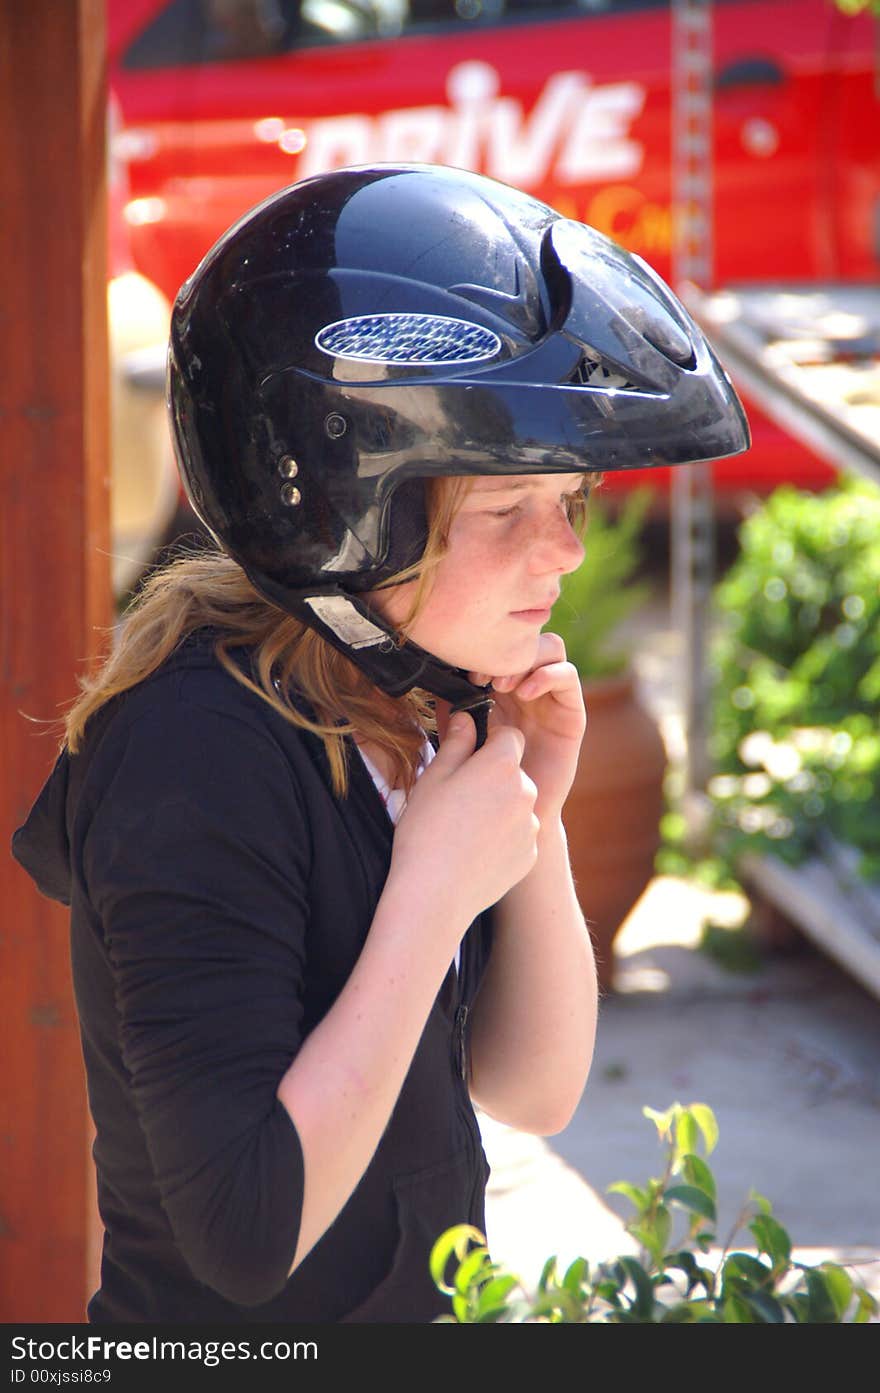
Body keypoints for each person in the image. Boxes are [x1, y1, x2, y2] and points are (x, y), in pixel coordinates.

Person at [12, 163, 749, 1324]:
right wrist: (427, 896)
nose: (560, 554)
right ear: (339, 514)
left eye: (572, 504)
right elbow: (244, 1238)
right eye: (506, 513)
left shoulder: (406, 693)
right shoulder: (192, 757)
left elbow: (532, 1087)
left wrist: (533, 820)